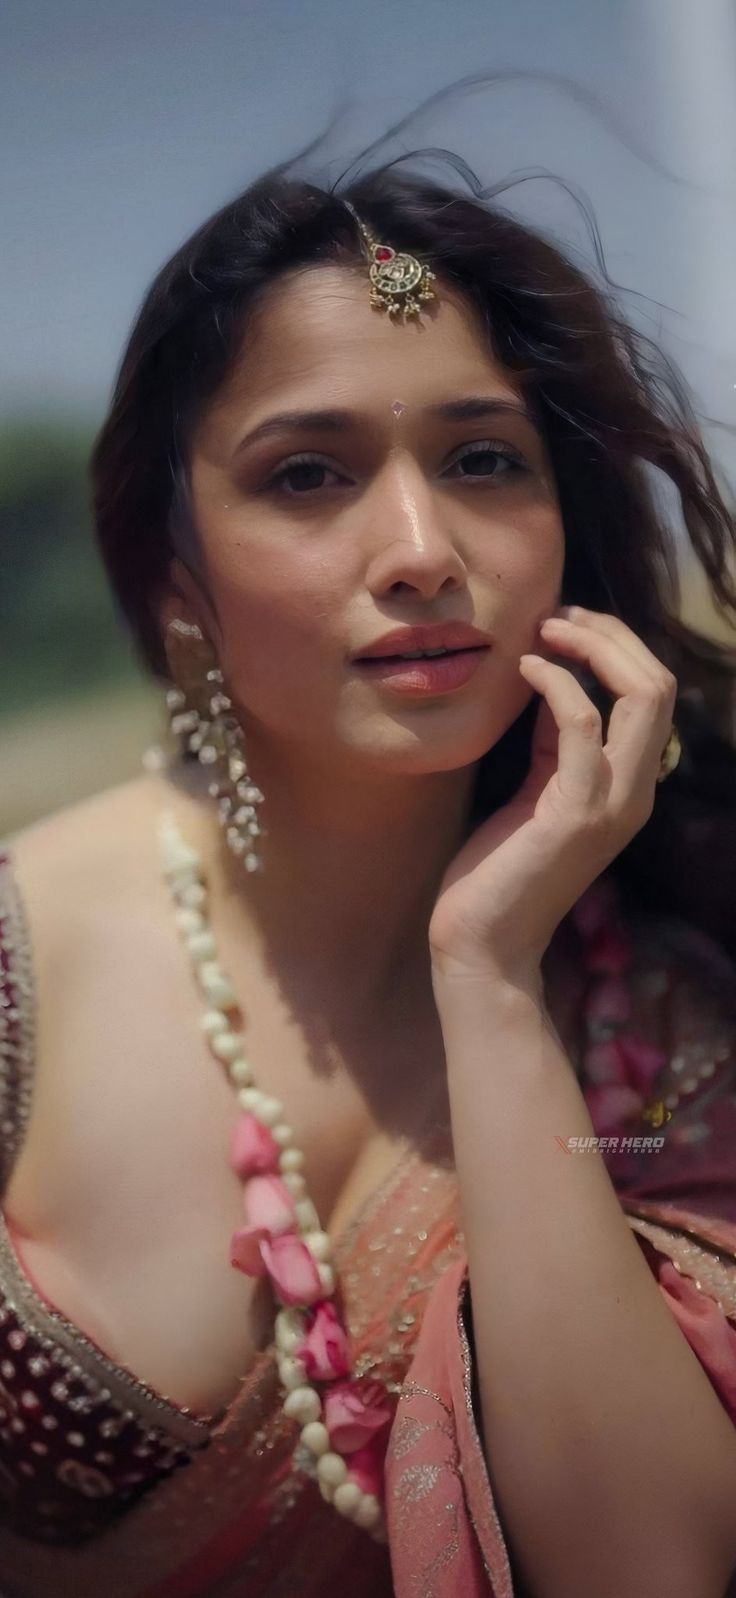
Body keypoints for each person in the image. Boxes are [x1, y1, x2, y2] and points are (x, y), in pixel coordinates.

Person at [0, 146, 735, 1598]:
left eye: (481, 458)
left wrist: (490, 976)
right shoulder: (25, 963)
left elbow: (648, 1566)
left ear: (565, 533)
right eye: (308, 473)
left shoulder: (662, 1033)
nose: (419, 549)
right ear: (170, 573)